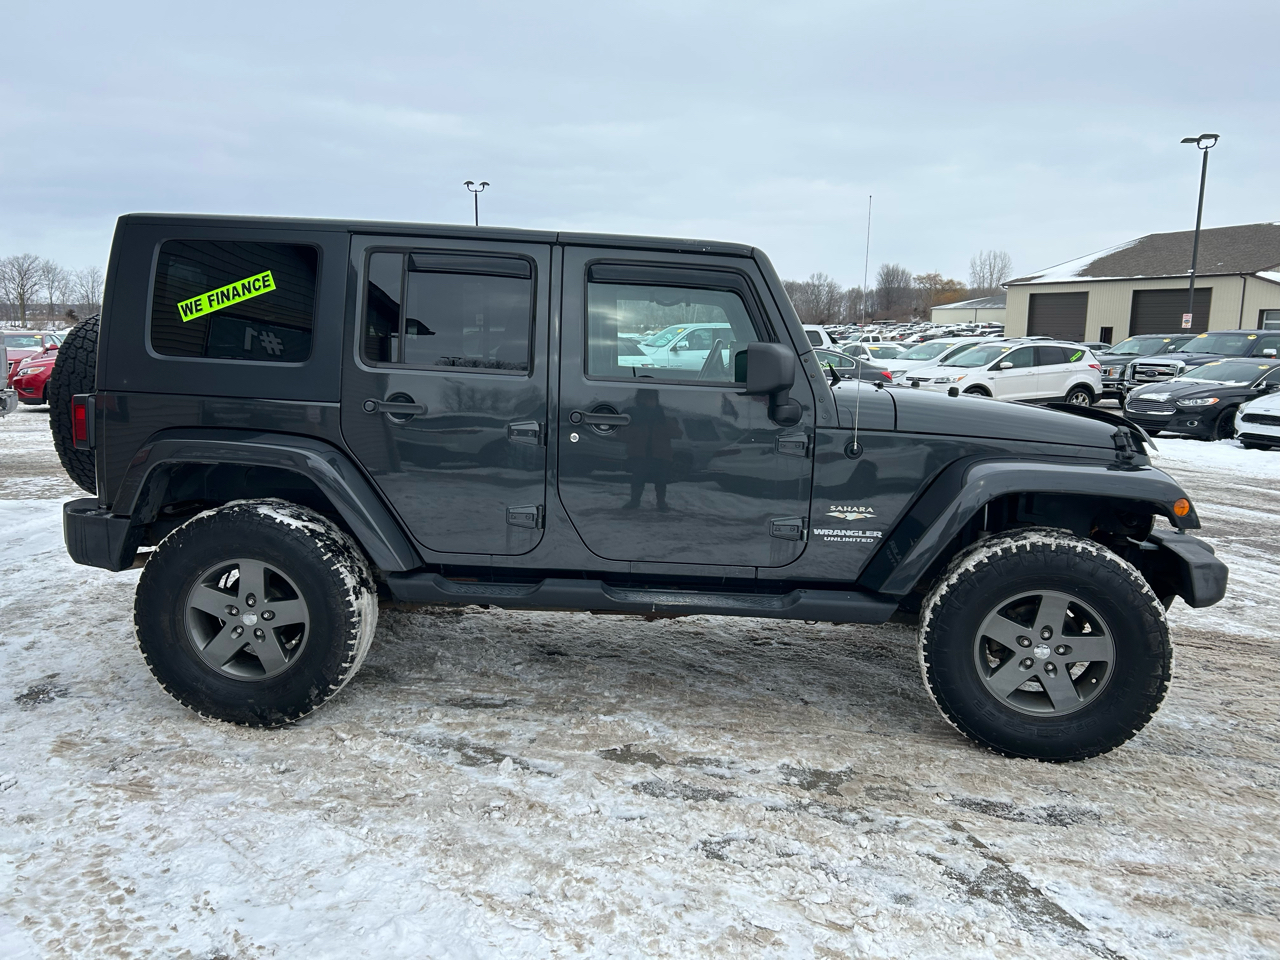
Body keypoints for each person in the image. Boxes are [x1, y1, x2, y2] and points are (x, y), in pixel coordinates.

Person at [621, 389, 681, 511]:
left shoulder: (662, 416)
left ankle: (661, 502)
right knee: (637, 479)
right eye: (645, 398)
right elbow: (624, 436)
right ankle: (635, 501)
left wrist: (666, 423)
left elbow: (678, 433)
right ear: (639, 399)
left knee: (661, 481)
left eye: (651, 398)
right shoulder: (634, 416)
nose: (648, 401)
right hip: (640, 454)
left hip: (660, 455)